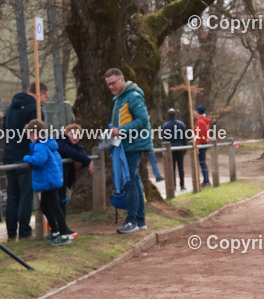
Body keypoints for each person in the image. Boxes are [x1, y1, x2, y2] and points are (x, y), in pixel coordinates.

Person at [105, 68, 152, 233]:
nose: (111, 87)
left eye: (113, 83)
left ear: (122, 79)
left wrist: (121, 130)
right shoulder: (118, 98)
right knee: (134, 181)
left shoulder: (132, 96)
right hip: (125, 145)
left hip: (133, 145)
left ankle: (132, 221)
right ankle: (140, 221)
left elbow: (142, 121)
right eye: (108, 84)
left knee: (130, 181)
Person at [3, 82, 47, 241]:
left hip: (9, 155)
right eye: (45, 97)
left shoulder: (10, 107)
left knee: (12, 195)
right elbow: (38, 134)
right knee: (25, 195)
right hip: (26, 157)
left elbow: (3, 129)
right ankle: (25, 233)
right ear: (40, 93)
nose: (45, 101)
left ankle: (11, 233)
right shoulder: (33, 109)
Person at [22, 120, 71, 246]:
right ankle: (54, 231)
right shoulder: (48, 144)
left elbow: (39, 160)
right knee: (45, 206)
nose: (29, 138)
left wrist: (26, 158)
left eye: (29, 135)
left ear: (33, 134)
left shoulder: (40, 146)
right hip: (49, 180)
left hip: (48, 181)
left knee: (54, 207)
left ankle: (63, 234)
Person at [56, 123, 94, 228]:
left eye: (78, 135)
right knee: (55, 204)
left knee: (62, 201)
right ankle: (57, 228)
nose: (75, 137)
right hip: (56, 178)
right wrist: (88, 161)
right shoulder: (60, 142)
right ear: (66, 133)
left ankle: (61, 227)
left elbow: (78, 155)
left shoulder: (77, 147)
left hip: (66, 180)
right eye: (72, 134)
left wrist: (84, 160)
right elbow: (70, 152)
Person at [160, 109, 188, 190]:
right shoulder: (181, 124)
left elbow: (164, 139)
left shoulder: (165, 126)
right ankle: (182, 185)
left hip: (170, 149)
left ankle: (174, 185)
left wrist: (164, 150)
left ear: (168, 115)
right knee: (180, 167)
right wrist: (185, 148)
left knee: (172, 168)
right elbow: (184, 138)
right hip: (180, 148)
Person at [193, 105, 211, 186]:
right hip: (205, 142)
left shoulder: (200, 122)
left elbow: (199, 135)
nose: (194, 113)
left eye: (195, 111)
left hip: (201, 143)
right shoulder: (204, 121)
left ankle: (206, 180)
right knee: (202, 162)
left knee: (202, 162)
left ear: (198, 112)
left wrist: (198, 145)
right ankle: (205, 180)